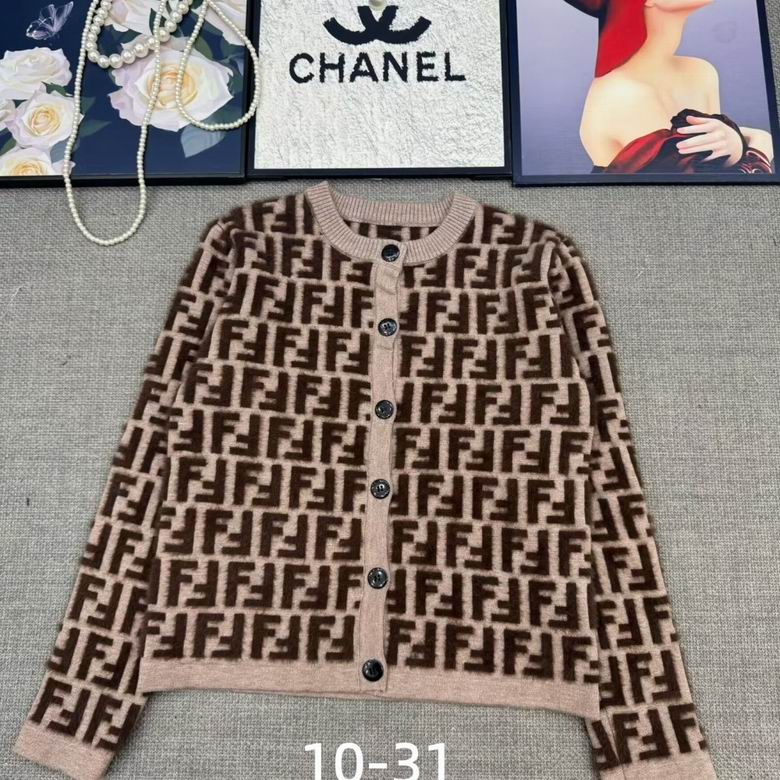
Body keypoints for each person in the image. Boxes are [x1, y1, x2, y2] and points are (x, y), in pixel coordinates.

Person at [565, 0, 774, 173]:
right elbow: (698, 193)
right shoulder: (623, 95)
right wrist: (760, 144)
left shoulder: (700, 72)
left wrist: (737, 144)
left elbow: (713, 163)